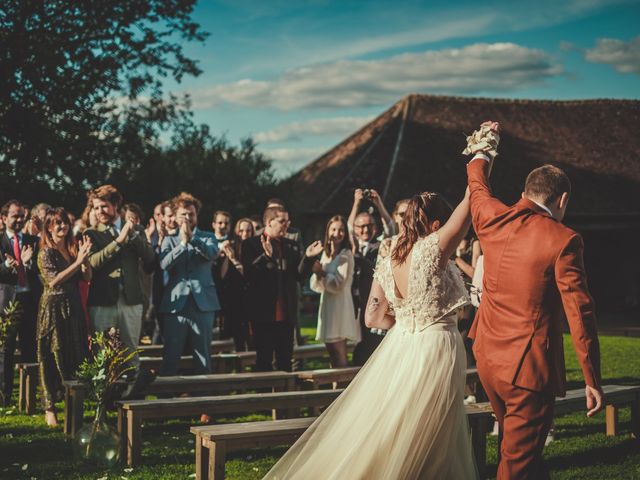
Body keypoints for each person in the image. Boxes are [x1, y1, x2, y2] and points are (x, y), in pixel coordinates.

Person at [265, 136, 481, 479]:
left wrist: (408, 318)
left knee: (396, 420)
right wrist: (483, 155)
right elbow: (471, 205)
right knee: (432, 427)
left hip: (401, 343)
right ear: (437, 225)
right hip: (436, 343)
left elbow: (374, 316)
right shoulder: (434, 248)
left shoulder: (390, 251)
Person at [466, 122, 603, 479]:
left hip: (488, 360)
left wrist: (486, 145)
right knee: (515, 465)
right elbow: (580, 313)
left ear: (527, 192)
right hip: (528, 371)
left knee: (520, 452)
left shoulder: (492, 219)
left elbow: (477, 184)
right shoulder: (564, 239)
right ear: (562, 200)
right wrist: (592, 379)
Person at [85, 185, 155, 372]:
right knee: (102, 353)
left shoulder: (136, 229)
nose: (100, 211)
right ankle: (102, 398)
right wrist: (117, 242)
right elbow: (92, 262)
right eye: (96, 207)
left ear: (116, 204)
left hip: (131, 299)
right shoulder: (90, 233)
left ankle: (133, 394)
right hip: (102, 300)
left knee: (131, 350)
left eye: (104, 206)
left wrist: (131, 235)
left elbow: (150, 259)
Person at [36, 208, 92, 426]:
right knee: (52, 355)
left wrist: (84, 259)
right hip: (53, 309)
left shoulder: (72, 248)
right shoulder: (45, 253)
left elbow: (86, 276)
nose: (63, 226)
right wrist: (78, 261)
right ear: (49, 227)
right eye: (57, 223)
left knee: (74, 353)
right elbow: (53, 280)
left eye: (65, 223)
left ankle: (72, 403)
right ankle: (50, 406)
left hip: (73, 306)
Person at [159, 192, 220, 375]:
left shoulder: (208, 236)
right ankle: (164, 402)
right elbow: (164, 264)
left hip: (203, 304)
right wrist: (183, 244)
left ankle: (203, 400)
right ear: (176, 218)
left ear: (196, 215)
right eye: (183, 215)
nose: (187, 218)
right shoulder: (169, 240)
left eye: (191, 214)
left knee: (203, 358)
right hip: (175, 305)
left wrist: (192, 239)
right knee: (171, 356)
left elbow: (212, 253)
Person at [241, 206, 306, 372]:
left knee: (285, 362)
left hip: (285, 314)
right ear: (269, 222)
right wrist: (266, 257)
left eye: (288, 221)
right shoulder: (251, 244)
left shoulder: (291, 245)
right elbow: (248, 275)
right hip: (263, 314)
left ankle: (284, 397)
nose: (287, 225)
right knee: (264, 362)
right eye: (282, 221)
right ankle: (264, 397)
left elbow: (299, 276)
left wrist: (309, 258)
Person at [0, 200, 43, 403]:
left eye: (21, 216)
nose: (19, 219)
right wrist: (9, 267)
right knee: (5, 350)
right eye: (14, 216)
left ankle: (29, 396)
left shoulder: (31, 240)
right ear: (4, 218)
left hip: (29, 300)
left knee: (30, 347)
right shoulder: (0, 242)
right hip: (6, 302)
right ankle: (5, 394)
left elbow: (42, 269)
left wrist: (28, 263)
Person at [306, 215, 360, 368]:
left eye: (341, 230)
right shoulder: (326, 254)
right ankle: (336, 388)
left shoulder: (346, 255)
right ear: (328, 231)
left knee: (339, 352)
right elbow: (316, 286)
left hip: (340, 306)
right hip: (328, 305)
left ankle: (344, 389)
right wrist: (317, 273)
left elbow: (339, 284)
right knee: (331, 353)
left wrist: (321, 273)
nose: (337, 233)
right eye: (334, 229)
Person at [214, 218, 254, 351]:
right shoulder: (233, 246)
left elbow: (248, 274)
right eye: (241, 230)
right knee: (237, 337)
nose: (244, 234)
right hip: (234, 298)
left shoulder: (256, 248)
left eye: (248, 231)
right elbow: (222, 274)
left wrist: (233, 259)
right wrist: (226, 256)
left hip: (251, 296)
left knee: (252, 338)